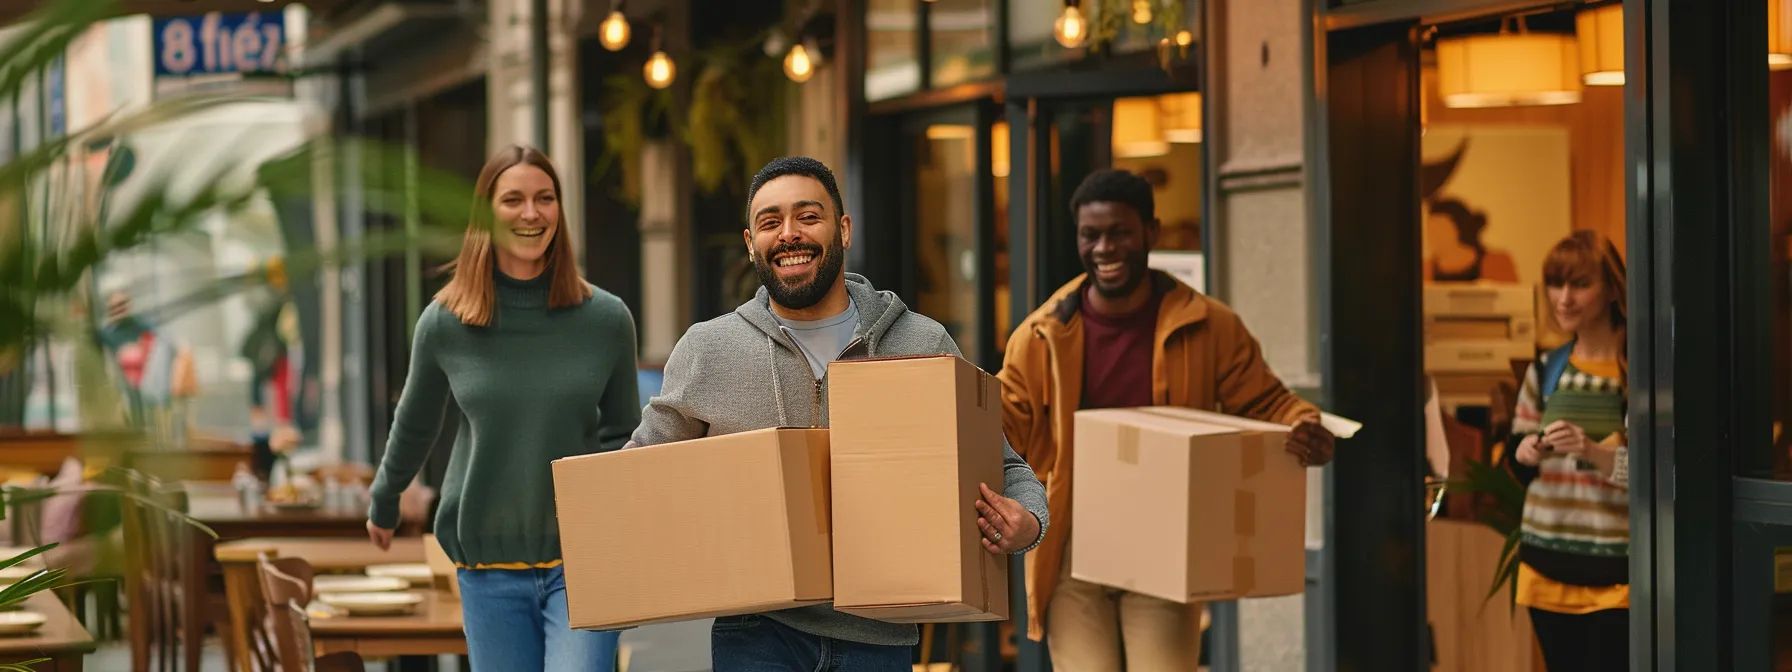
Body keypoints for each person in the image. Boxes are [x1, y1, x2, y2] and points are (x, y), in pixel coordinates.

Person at [627, 156, 1050, 671]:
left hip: (880, 634)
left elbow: (1008, 468)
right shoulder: (710, 349)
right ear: (750, 242)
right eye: (770, 222)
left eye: (808, 216)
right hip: (758, 632)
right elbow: (640, 477)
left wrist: (1028, 523)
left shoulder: (920, 341)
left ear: (843, 230)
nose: (789, 234)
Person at [996, 168, 1337, 671]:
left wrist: (1305, 424)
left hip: (1167, 539)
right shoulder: (1042, 333)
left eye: (1120, 232)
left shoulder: (1208, 325)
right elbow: (1009, 428)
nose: (1104, 248)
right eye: (1091, 235)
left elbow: (1267, 402)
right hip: (1072, 542)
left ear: (1151, 233)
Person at [364, 144, 640, 672]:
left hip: (583, 561)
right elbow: (417, 422)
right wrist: (385, 497)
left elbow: (623, 435)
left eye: (545, 198)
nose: (531, 213)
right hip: (487, 566)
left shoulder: (606, 320)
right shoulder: (445, 322)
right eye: (513, 199)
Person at [1508, 230, 1630, 672]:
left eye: (1580, 284)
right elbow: (1516, 459)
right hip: (1545, 568)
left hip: (1616, 575)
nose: (1564, 298)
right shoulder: (1545, 369)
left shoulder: (1637, 372)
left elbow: (1659, 474)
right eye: (1556, 284)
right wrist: (1526, 452)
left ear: (1613, 288)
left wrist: (1593, 452)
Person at [1424, 197, 1520, 283]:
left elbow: (1512, 299)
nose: (1432, 235)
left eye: (1439, 229)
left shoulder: (1496, 262)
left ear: (1459, 228)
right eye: (1430, 229)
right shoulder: (1426, 269)